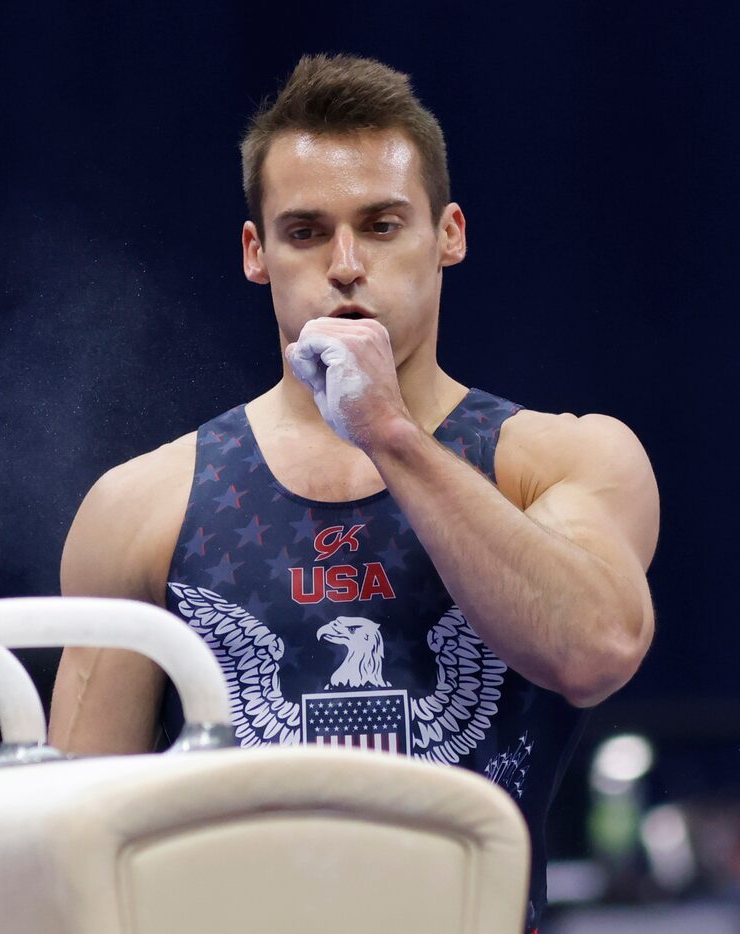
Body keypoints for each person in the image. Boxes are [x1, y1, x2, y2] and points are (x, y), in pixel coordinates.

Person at [48, 53, 658, 931]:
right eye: (305, 231)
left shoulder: (557, 460)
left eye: (381, 226)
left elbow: (595, 649)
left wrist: (391, 433)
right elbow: (74, 843)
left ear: (448, 234)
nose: (344, 266)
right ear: (257, 253)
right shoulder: (144, 505)